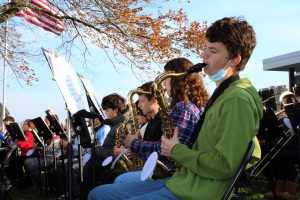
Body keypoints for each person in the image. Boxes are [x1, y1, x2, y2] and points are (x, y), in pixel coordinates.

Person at [88, 16, 263, 200]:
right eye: (204, 48)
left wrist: (175, 150)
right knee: (97, 194)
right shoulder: (223, 94)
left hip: (197, 193)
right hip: (184, 182)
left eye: (212, 51)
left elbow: (225, 166)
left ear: (234, 60)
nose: (204, 56)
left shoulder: (237, 100)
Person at [112, 57, 209, 184]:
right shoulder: (186, 106)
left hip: (173, 177)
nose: (163, 84)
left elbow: (166, 149)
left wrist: (133, 143)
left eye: (166, 78)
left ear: (177, 79)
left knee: (115, 184)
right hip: (174, 175)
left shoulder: (184, 108)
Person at [270, 91, 299, 200]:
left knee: (286, 155)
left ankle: (291, 191)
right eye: (286, 102)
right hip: (292, 146)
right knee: (278, 155)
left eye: (291, 101)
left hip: (296, 146)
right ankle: (279, 190)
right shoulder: (282, 119)